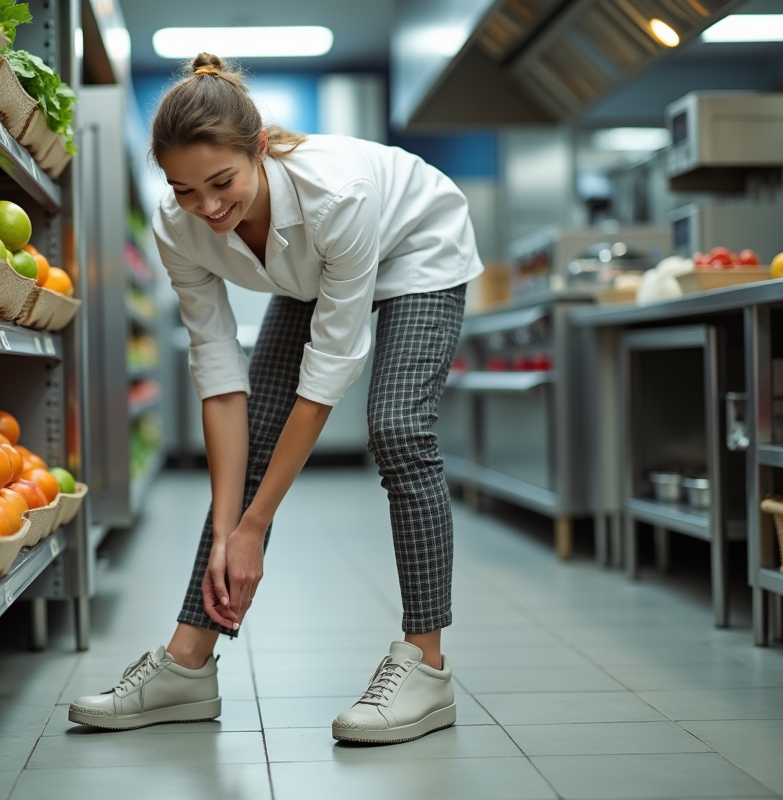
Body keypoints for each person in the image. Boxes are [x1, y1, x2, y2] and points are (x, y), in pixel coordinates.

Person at [69, 52, 482, 744]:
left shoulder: (336, 194)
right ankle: (188, 664)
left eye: (221, 182)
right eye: (183, 190)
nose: (207, 208)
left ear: (258, 149)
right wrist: (228, 528)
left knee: (399, 431)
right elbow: (219, 372)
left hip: (416, 242)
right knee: (255, 434)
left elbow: (329, 370)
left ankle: (427, 666)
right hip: (312, 269)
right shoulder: (180, 228)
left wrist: (256, 524)